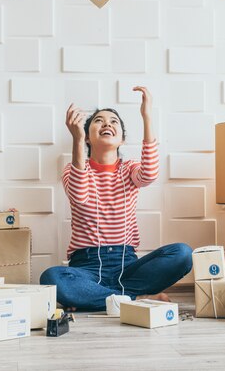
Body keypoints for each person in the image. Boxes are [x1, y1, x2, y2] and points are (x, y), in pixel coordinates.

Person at [40, 86, 192, 311]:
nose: (107, 124)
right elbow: (80, 196)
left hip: (127, 266)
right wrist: (77, 141)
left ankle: (102, 300)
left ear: (122, 139)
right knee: (51, 277)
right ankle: (134, 300)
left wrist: (147, 116)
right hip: (87, 266)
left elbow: (149, 174)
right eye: (98, 121)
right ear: (88, 137)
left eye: (113, 122)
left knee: (182, 253)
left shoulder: (129, 169)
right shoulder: (73, 169)